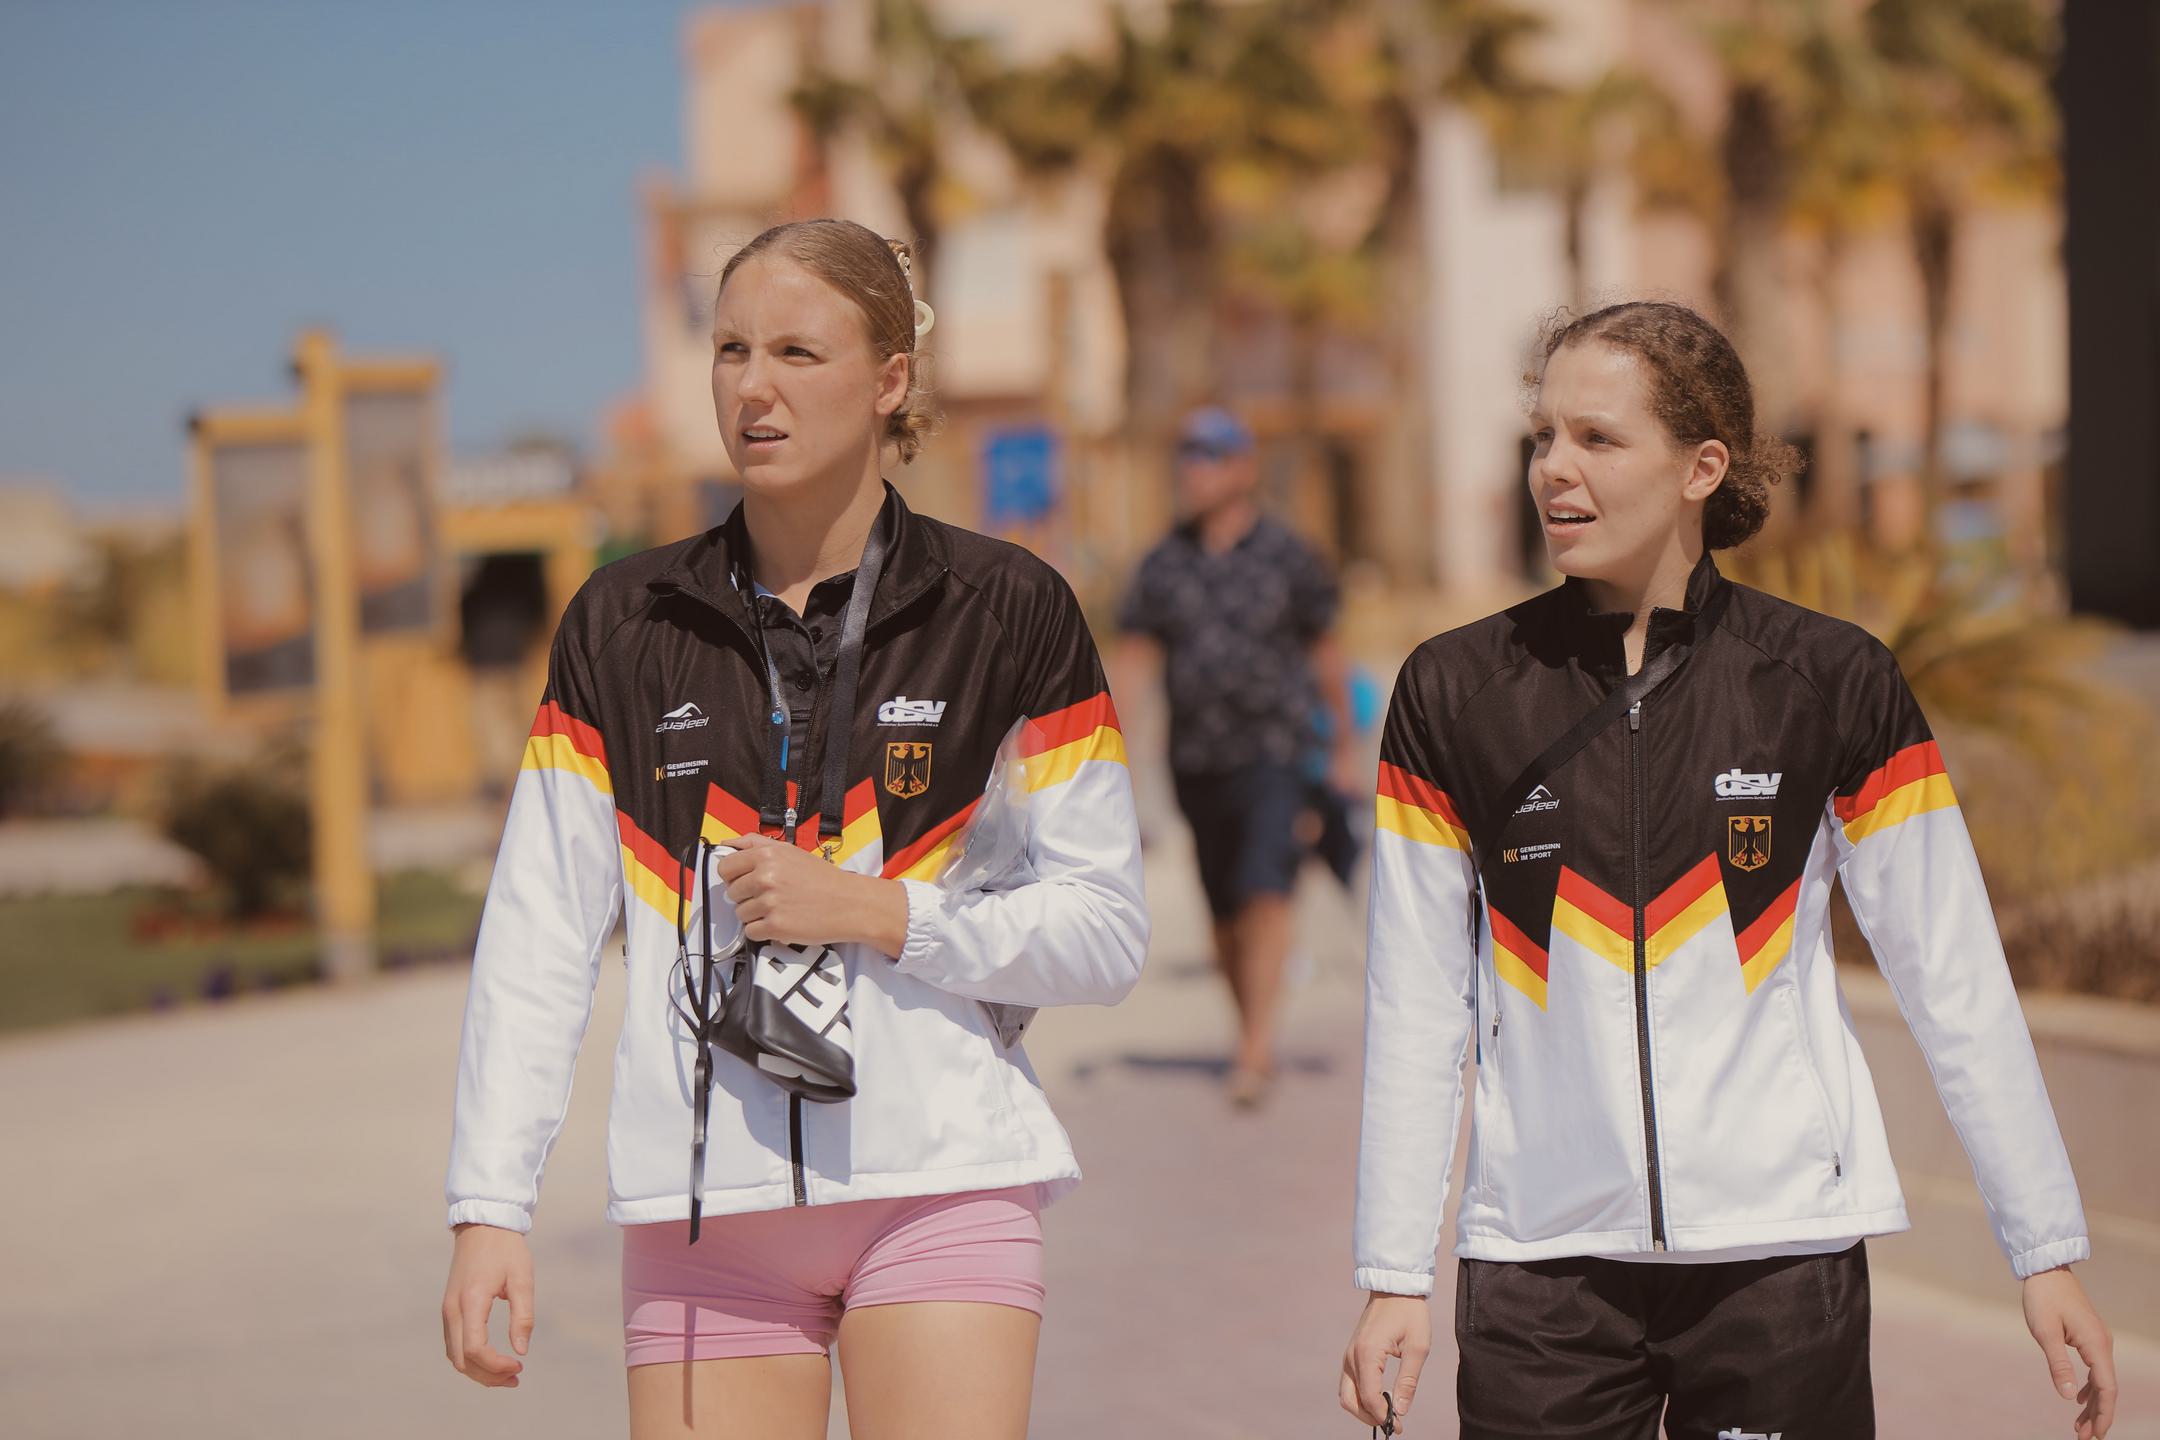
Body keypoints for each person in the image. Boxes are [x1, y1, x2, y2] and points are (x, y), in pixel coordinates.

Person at [1339, 301, 2116, 1438]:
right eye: (1544, 437)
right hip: (1541, 1266)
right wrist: (1393, 1272)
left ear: (1703, 466)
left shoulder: (1830, 680)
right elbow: (1414, 1005)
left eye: (1598, 440)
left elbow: (1954, 979)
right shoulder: (1455, 691)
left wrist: (2043, 1250)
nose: (1555, 470)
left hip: (1779, 1263)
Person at [440, 217, 1149, 1440]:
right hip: (700, 1216)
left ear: (888, 381)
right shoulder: (621, 619)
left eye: (796, 354)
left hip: (937, 1187)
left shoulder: (1008, 609)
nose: (753, 388)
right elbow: (539, 935)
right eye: (729, 351)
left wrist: (885, 913)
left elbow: (1106, 932)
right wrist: (487, 1206)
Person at [1117, 406, 1358, 1107]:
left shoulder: (1289, 554)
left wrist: (1344, 747)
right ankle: (1246, 1024)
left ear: (1245, 467)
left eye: (1211, 455)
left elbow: (1328, 653)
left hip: (1276, 753)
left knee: (1265, 886)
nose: (1195, 468)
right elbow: (1133, 660)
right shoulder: (1163, 562)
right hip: (1196, 760)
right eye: (1188, 455)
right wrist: (1116, 760)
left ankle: (1256, 1046)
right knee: (1221, 903)